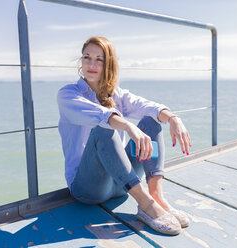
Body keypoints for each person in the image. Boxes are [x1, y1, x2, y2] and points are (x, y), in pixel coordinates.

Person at [57, 36, 191, 235]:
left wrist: (172, 118)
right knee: (104, 128)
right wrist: (128, 126)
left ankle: (156, 197)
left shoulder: (116, 94)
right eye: (87, 57)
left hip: (122, 184)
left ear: (108, 64)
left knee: (151, 120)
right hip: (88, 188)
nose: (91, 64)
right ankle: (146, 204)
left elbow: (148, 106)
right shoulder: (68, 94)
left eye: (99, 59)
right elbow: (100, 116)